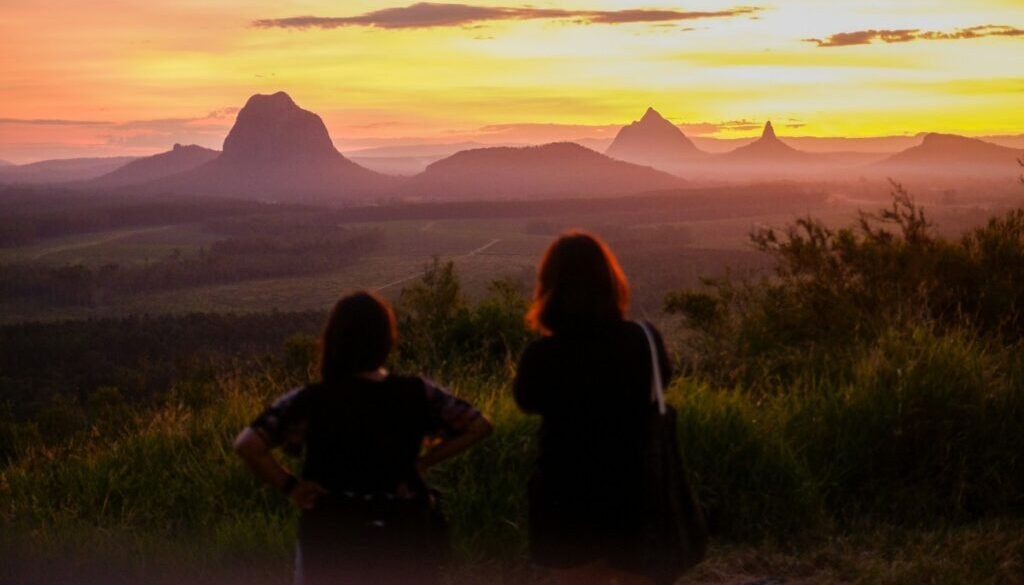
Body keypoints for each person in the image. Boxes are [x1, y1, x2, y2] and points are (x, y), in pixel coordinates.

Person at [234, 291, 493, 585]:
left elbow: (248, 445)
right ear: (387, 340)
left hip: (332, 539)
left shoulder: (312, 399)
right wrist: (424, 461)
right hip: (404, 538)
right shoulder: (416, 392)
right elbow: (480, 426)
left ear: (333, 341)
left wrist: (290, 486)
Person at [514, 231, 672, 585]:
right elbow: (661, 384)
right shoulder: (642, 341)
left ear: (548, 288)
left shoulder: (541, 356)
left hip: (566, 493)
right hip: (635, 489)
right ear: (611, 282)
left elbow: (526, 401)